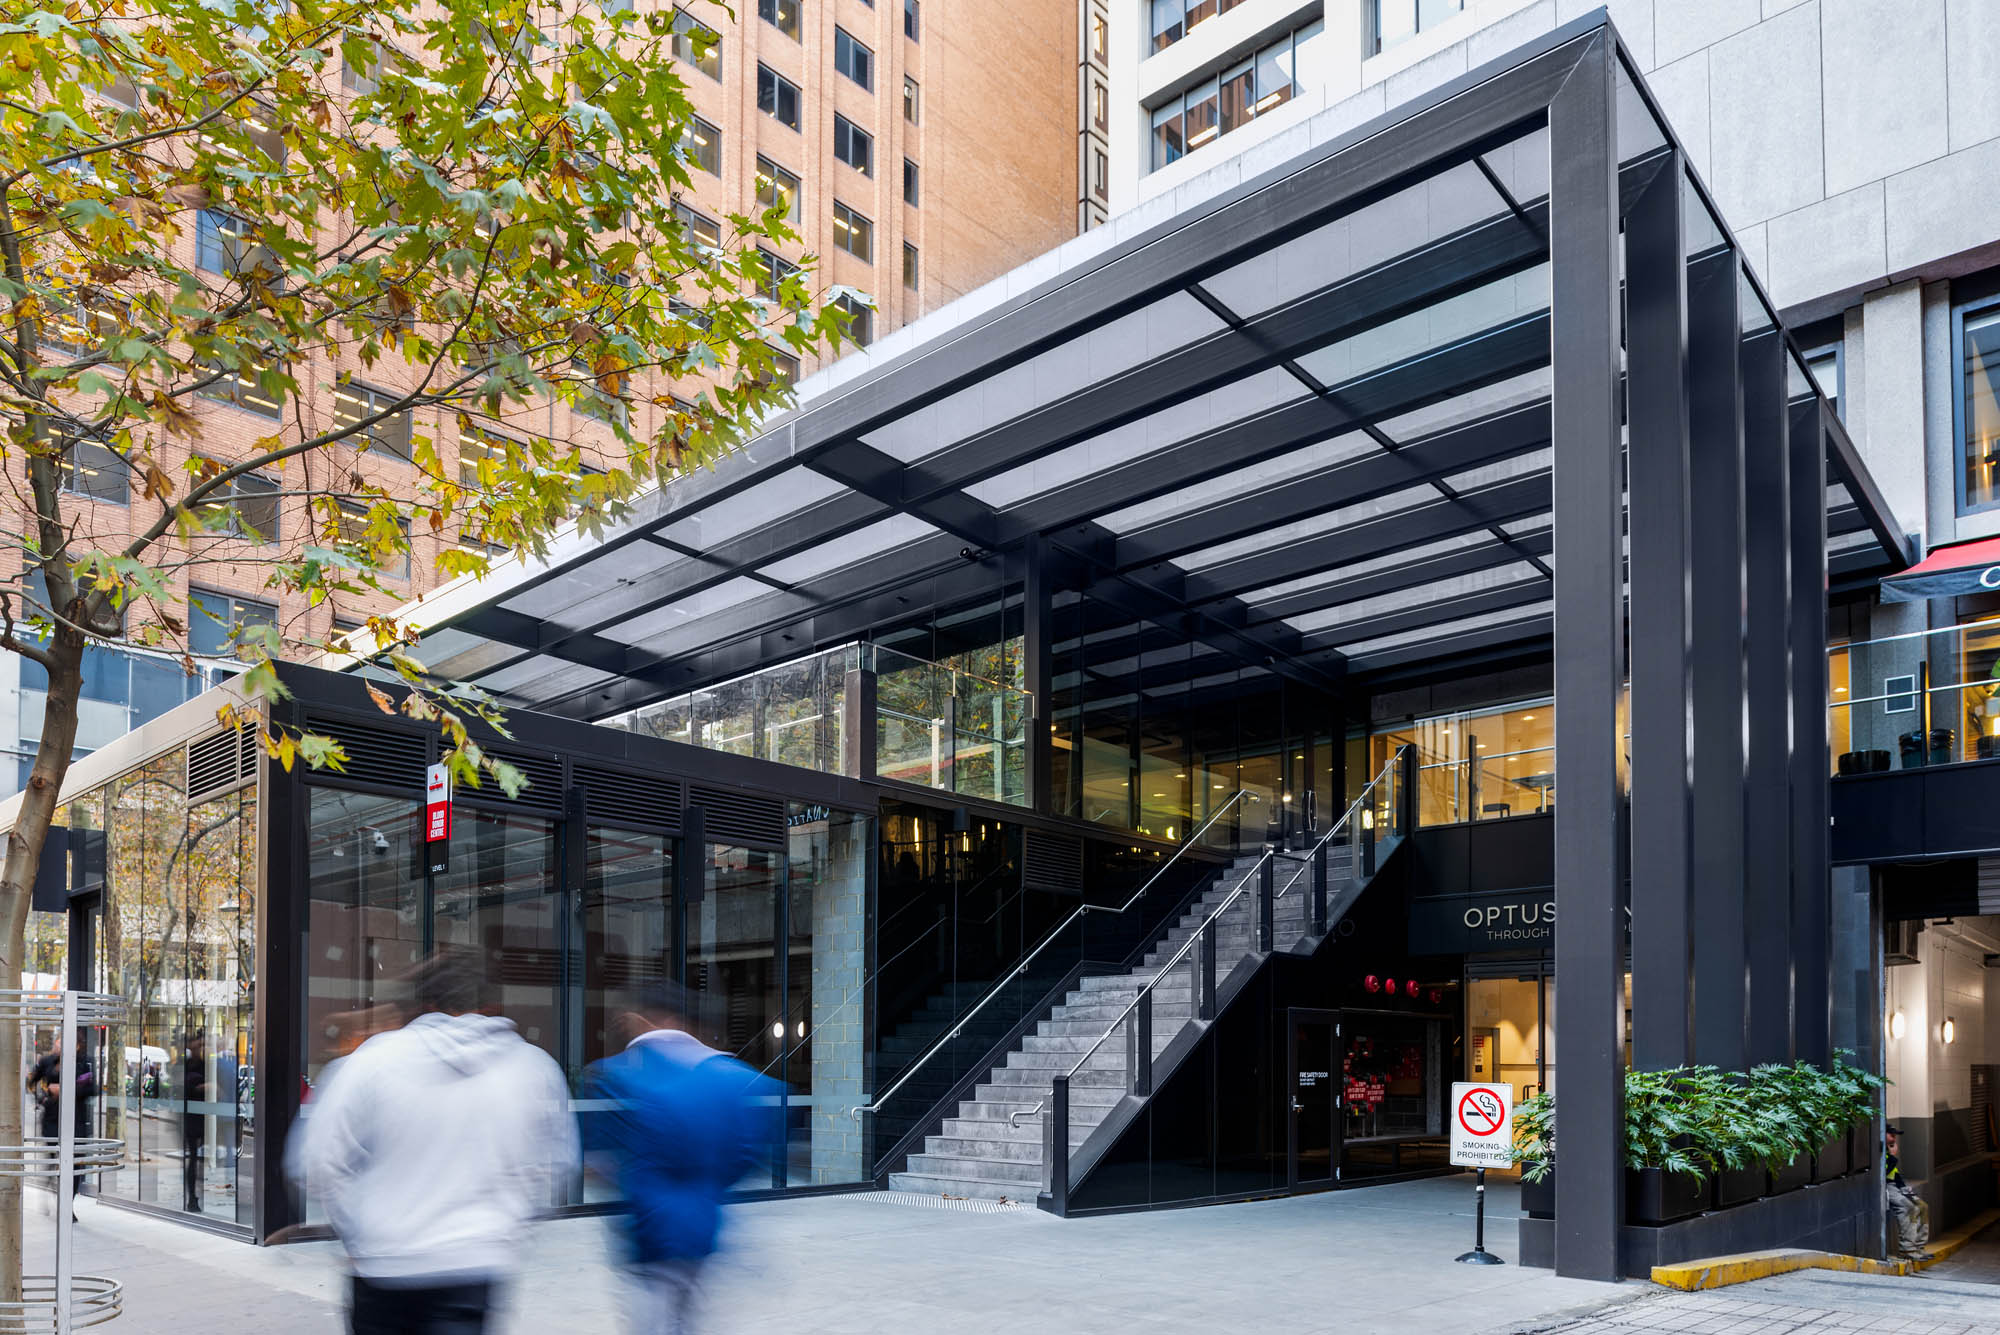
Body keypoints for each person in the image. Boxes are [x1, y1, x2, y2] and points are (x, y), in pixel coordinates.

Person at [293, 951, 578, 1335]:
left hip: (384, 1267)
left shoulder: (370, 1063)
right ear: (488, 1004)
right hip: (476, 1266)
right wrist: (506, 1229)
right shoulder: (532, 1067)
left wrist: (357, 1234)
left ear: (421, 1005)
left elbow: (317, 1162)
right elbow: (555, 1166)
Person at [581, 982, 781, 1335]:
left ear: (641, 1019)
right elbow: (748, 1150)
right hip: (705, 1228)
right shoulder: (730, 1075)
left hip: (649, 1233)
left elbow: (600, 1165)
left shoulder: (614, 1075)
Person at [27, 1034, 97, 1213]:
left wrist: (65, 1089)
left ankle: (66, 1205)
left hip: (76, 1119)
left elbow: (92, 1088)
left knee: (75, 1164)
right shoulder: (48, 1061)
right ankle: (53, 1189)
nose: (60, 1048)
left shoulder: (85, 1062)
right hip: (52, 1118)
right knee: (53, 1158)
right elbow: (31, 1082)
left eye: (64, 1044)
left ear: (77, 1046)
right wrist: (43, 1096)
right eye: (58, 1044)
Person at [1885, 1125, 1931, 1259]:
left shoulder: (1889, 1149)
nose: (1894, 1138)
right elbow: (1882, 1174)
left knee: (1923, 1206)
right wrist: (1893, 1157)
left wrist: (1905, 1188)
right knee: (1909, 1208)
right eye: (1891, 1135)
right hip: (1886, 1186)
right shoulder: (1879, 1151)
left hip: (1897, 1186)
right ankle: (1907, 1249)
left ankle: (1919, 1247)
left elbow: (1895, 1174)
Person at [182, 1031, 207, 1213]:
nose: (199, 1048)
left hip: (204, 1116)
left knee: (197, 1158)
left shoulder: (206, 1065)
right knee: (193, 1158)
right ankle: (192, 1197)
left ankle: (194, 1196)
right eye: (197, 1045)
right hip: (192, 1117)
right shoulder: (187, 1066)